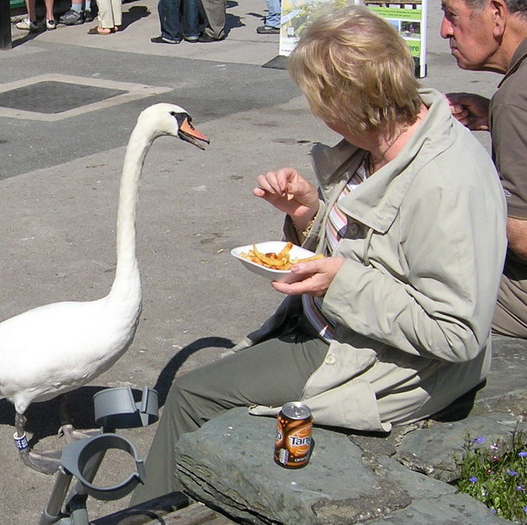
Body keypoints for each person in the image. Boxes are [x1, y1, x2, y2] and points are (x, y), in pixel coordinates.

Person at [129, 5, 507, 505]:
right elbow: (363, 245)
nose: (314, 112)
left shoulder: (446, 180)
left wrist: (340, 283)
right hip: (331, 325)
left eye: (318, 99)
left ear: (352, 101)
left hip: (379, 359)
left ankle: (150, 514)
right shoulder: (380, 138)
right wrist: (308, 214)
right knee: (218, 386)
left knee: (192, 394)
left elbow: (457, 333)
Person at [441, 0, 527, 339]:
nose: (444, 30)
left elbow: (521, 237)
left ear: (496, 13)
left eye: (451, 15)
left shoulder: (516, 98)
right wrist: (494, 117)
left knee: (414, 289)